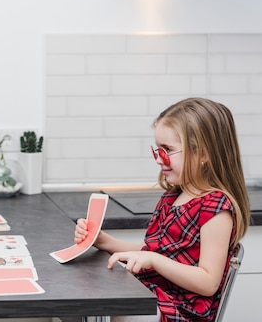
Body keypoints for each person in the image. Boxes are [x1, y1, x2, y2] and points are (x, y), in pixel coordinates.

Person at [74, 97, 250, 321]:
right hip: (155, 295)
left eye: (167, 150)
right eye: (157, 150)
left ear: (203, 153)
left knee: (119, 304)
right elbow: (155, 251)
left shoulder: (216, 209)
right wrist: (102, 241)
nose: (159, 159)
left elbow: (208, 282)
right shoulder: (173, 196)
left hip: (180, 310)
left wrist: (154, 260)